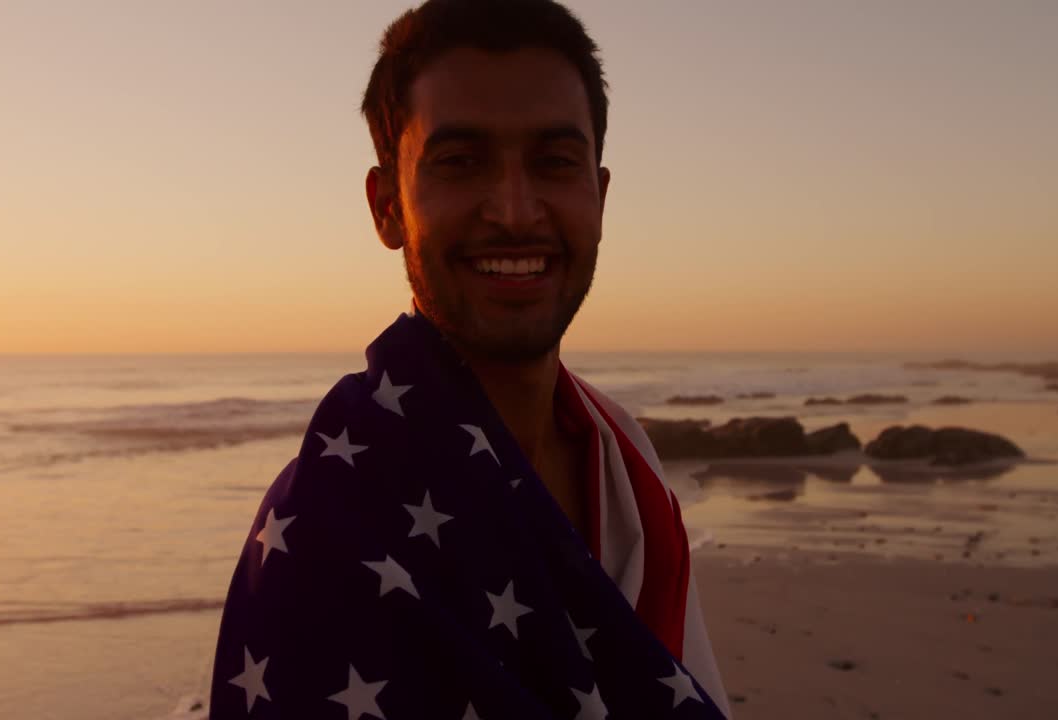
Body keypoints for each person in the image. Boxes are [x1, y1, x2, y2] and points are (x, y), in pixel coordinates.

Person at [208, 1, 730, 717]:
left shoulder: (626, 467)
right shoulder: (329, 525)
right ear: (388, 205)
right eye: (460, 162)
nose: (515, 211)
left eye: (554, 162)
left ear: (600, 197)